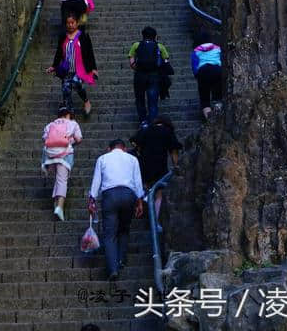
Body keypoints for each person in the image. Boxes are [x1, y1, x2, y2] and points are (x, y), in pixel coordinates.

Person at [87, 140, 144, 280]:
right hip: (128, 195)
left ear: (109, 148)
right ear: (124, 148)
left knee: (109, 234)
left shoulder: (102, 159)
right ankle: (121, 260)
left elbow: (96, 180)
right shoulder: (132, 159)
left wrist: (92, 199)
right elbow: (138, 181)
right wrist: (140, 202)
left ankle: (113, 269)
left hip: (109, 196)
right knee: (124, 229)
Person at [131, 115, 182, 229]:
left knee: (149, 190)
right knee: (159, 195)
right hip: (160, 165)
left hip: (144, 166)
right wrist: (176, 166)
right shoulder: (167, 131)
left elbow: (135, 143)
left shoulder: (146, 129)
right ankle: (155, 221)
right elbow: (174, 150)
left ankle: (147, 207)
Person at [47, 15, 98, 115]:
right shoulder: (63, 36)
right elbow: (59, 52)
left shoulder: (83, 36)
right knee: (66, 89)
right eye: (68, 23)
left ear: (77, 23)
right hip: (66, 70)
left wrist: (93, 68)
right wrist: (54, 66)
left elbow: (89, 52)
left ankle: (86, 101)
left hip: (79, 69)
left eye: (72, 23)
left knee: (76, 83)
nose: (70, 25)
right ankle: (70, 113)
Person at [41, 105, 83, 221]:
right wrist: (70, 141)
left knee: (58, 178)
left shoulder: (51, 124)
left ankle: (56, 202)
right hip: (65, 154)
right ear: (68, 114)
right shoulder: (73, 123)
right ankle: (59, 207)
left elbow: (45, 138)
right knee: (62, 180)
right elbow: (79, 139)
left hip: (50, 155)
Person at [128, 26, 171, 126]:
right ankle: (152, 122)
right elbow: (166, 60)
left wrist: (137, 69)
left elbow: (131, 60)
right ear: (155, 36)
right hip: (154, 76)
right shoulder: (160, 46)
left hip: (140, 76)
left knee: (140, 99)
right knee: (153, 101)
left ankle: (143, 121)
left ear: (142, 36)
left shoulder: (136, 45)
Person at [191, 34, 223, 120]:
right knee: (217, 96)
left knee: (204, 98)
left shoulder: (195, 51)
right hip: (217, 71)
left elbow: (194, 66)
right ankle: (218, 116)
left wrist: (197, 76)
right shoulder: (217, 48)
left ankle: (209, 119)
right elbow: (222, 59)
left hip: (203, 72)